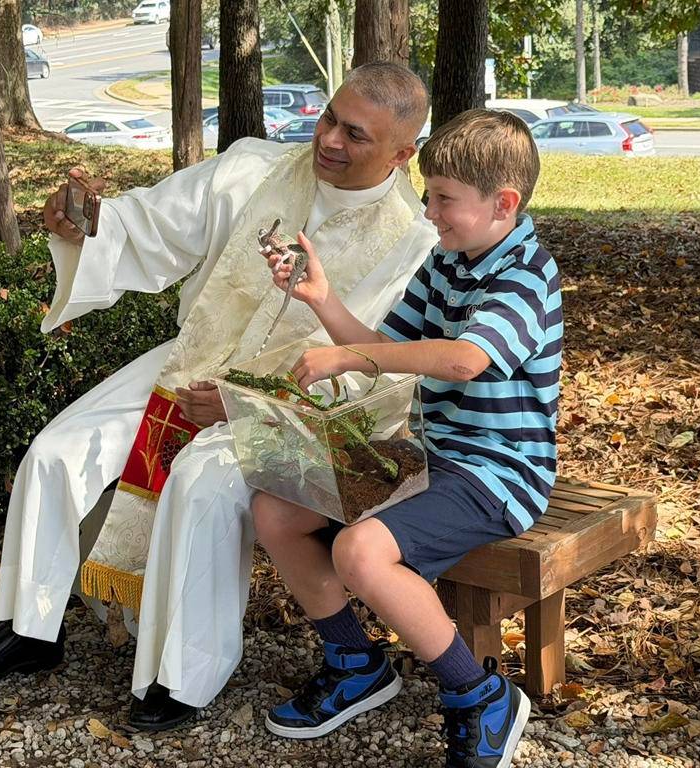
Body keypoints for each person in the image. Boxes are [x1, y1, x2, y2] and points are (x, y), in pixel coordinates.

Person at [0, 63, 438, 732]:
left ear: (402, 153)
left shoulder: (414, 242)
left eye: (355, 134)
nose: (330, 140)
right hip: (192, 359)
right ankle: (27, 628)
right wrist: (88, 222)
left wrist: (246, 407)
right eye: (329, 118)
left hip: (293, 408)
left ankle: (184, 675)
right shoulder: (254, 168)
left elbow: (379, 372)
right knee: (57, 449)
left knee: (200, 483)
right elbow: (155, 222)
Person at [252, 109, 563, 767]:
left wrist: (347, 358)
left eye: (444, 199)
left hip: (498, 473)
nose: (429, 212)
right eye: (428, 195)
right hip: (429, 456)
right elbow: (384, 348)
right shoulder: (446, 261)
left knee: (360, 552)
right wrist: (321, 299)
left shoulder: (526, 274)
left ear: (503, 203)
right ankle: (354, 662)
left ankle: (480, 696)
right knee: (276, 509)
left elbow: (463, 360)